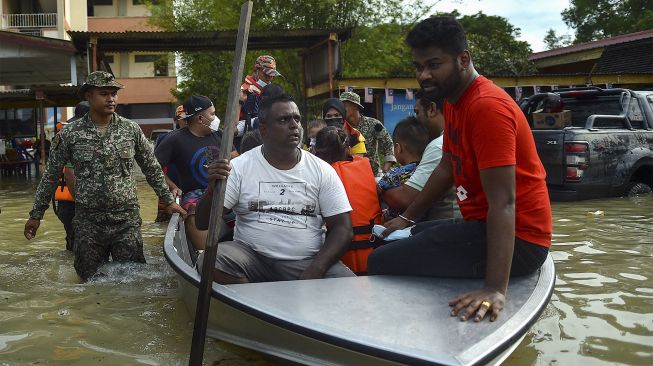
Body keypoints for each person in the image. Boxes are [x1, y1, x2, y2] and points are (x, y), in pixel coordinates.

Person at [368, 17, 552, 323]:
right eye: (418, 66)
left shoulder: (487, 107)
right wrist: (407, 218)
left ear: (463, 59)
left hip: (522, 241)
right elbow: (446, 167)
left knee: (378, 262)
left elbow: (504, 203)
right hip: (479, 226)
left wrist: (495, 289)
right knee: (390, 236)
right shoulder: (453, 102)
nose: (423, 75)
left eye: (433, 65)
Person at [24, 71, 187, 281]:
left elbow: (152, 169)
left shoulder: (131, 130)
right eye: (104, 93)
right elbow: (51, 176)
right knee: (88, 281)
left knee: (132, 279)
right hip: (89, 221)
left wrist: (167, 200)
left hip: (125, 219)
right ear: (88, 96)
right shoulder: (70, 134)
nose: (111, 99)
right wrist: (36, 214)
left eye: (114, 93)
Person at [195, 93, 355, 283]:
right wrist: (212, 189)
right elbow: (203, 223)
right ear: (264, 130)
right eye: (284, 120)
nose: (294, 125)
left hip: (306, 263)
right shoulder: (239, 167)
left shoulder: (321, 170)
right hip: (251, 260)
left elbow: (343, 229)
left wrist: (315, 270)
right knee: (210, 260)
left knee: (348, 284)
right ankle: (254, 304)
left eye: (297, 119)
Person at [155, 95, 236, 251]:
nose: (215, 118)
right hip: (195, 194)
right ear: (200, 118)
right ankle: (205, 257)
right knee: (192, 212)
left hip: (226, 189)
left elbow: (237, 160)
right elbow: (153, 168)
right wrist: (172, 187)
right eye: (212, 114)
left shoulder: (219, 134)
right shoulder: (174, 139)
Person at [314, 126, 383, 274]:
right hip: (373, 256)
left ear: (316, 153)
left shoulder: (317, 175)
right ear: (348, 149)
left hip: (338, 261)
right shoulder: (365, 166)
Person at [380, 91, 459, 221]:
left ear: (432, 110)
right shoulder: (452, 138)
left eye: (417, 112)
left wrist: (382, 191)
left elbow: (404, 199)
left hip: (443, 225)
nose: (416, 119)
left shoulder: (438, 146)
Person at [53, 101, 90, 251]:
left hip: (64, 203)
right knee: (81, 243)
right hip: (75, 202)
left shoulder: (62, 136)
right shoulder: (72, 140)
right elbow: (69, 175)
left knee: (72, 239)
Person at [377, 117, 429, 219]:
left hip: (395, 224)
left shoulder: (394, 173)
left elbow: (376, 191)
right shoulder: (428, 170)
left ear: (398, 148)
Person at [340, 91, 396, 175]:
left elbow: (388, 144)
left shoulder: (373, 124)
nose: (341, 109)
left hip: (372, 174)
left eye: (344, 106)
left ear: (355, 106)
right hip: (349, 175)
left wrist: (386, 168)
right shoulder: (340, 128)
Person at [235, 55, 281, 151]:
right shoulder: (244, 90)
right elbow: (235, 123)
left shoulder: (273, 89)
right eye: (266, 74)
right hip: (246, 138)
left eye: (271, 75)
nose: (269, 78)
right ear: (257, 70)